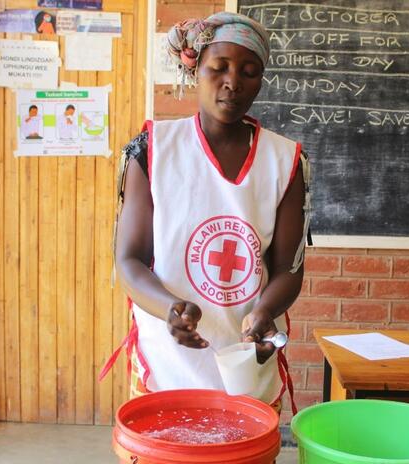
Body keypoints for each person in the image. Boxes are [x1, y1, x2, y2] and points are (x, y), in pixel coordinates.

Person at [100, 12, 311, 414]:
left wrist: (264, 312)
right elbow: (128, 259)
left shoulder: (285, 161)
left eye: (250, 72)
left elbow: (288, 269)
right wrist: (170, 309)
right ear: (195, 68)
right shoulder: (154, 149)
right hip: (167, 361)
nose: (233, 82)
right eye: (220, 67)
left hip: (248, 357)